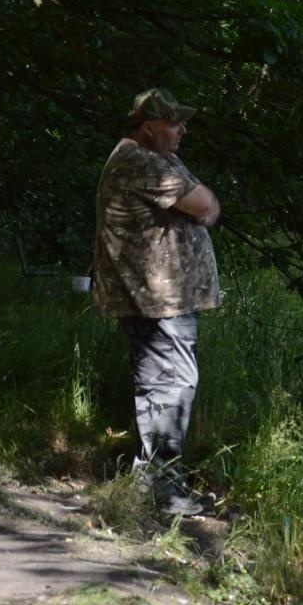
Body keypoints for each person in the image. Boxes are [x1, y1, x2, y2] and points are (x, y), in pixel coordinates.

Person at [91, 88, 222, 516]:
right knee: (174, 383)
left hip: (156, 295)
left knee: (159, 385)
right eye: (173, 123)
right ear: (148, 127)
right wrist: (202, 206)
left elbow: (204, 206)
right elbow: (205, 203)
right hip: (157, 297)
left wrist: (202, 207)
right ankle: (165, 490)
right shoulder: (142, 161)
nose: (182, 130)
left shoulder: (151, 158)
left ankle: (151, 481)